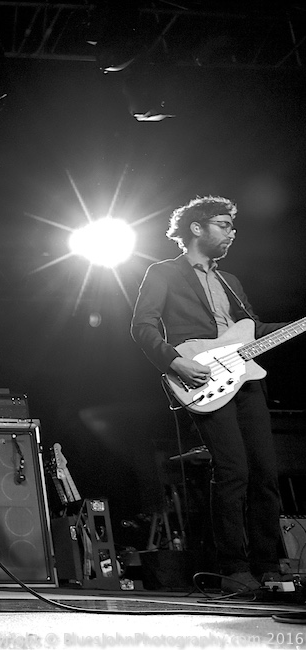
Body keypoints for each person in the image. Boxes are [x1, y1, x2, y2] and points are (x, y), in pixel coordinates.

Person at [131, 195, 288, 594]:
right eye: (224, 225)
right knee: (233, 472)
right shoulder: (163, 272)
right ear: (196, 228)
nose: (232, 233)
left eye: (233, 227)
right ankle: (233, 568)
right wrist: (174, 362)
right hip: (204, 380)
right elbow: (143, 327)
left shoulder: (230, 282)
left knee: (265, 473)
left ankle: (269, 565)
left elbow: (252, 330)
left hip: (247, 381)